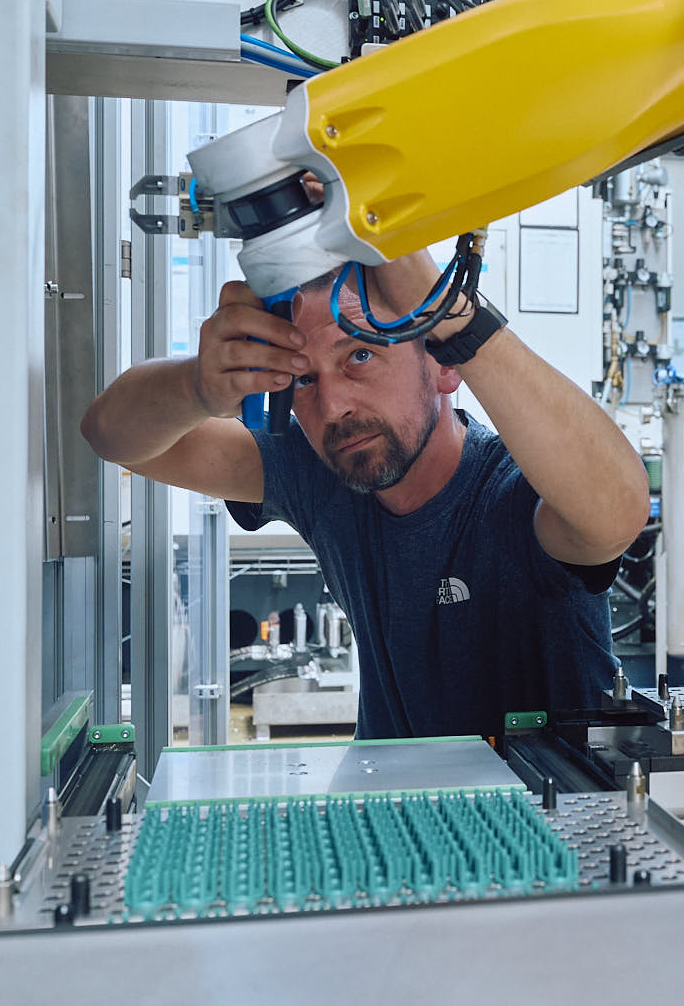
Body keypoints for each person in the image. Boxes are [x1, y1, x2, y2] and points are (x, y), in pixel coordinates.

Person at [80, 245, 650, 739]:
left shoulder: (508, 492)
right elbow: (110, 434)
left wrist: (450, 312)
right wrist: (198, 386)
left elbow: (617, 510)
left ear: (444, 364)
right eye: (304, 378)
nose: (332, 407)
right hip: (395, 811)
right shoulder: (321, 474)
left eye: (360, 355)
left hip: (550, 819)